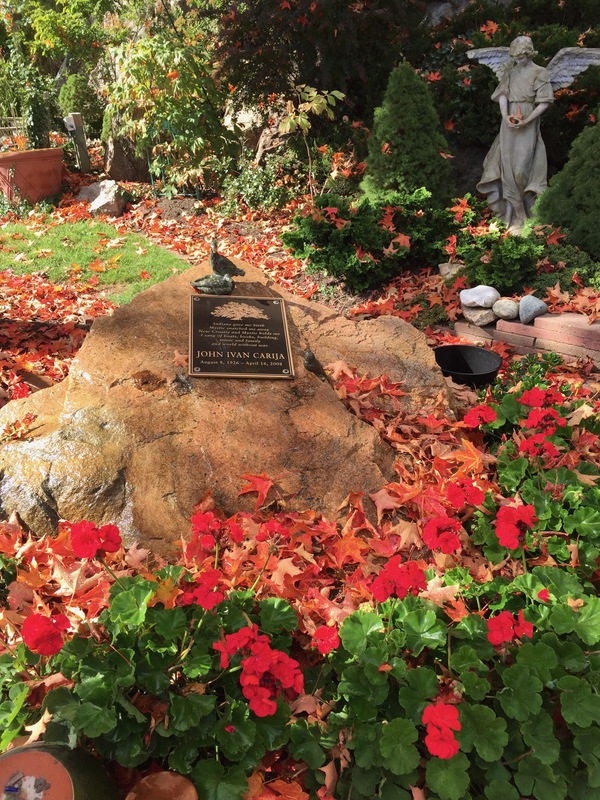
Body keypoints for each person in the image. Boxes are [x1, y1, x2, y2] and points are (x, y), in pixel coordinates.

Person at [476, 36, 555, 231]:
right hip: (509, 123)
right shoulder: (510, 71)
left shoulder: (540, 72)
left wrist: (527, 120)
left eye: (521, 57)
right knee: (507, 169)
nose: (517, 60)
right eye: (515, 57)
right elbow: (503, 94)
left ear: (529, 54)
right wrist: (505, 116)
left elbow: (544, 101)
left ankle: (532, 212)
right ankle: (518, 216)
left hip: (528, 121)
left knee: (521, 171)